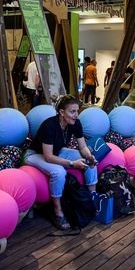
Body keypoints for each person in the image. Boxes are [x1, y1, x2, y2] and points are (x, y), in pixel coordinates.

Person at [24, 95, 98, 230]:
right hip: (35, 155)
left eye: (77, 111)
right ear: (62, 112)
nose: (76, 115)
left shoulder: (76, 123)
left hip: (57, 151)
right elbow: (48, 157)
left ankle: (92, 200)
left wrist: (90, 156)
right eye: (72, 111)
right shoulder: (49, 126)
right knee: (59, 172)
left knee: (89, 160)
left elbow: (82, 147)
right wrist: (72, 164)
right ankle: (58, 212)